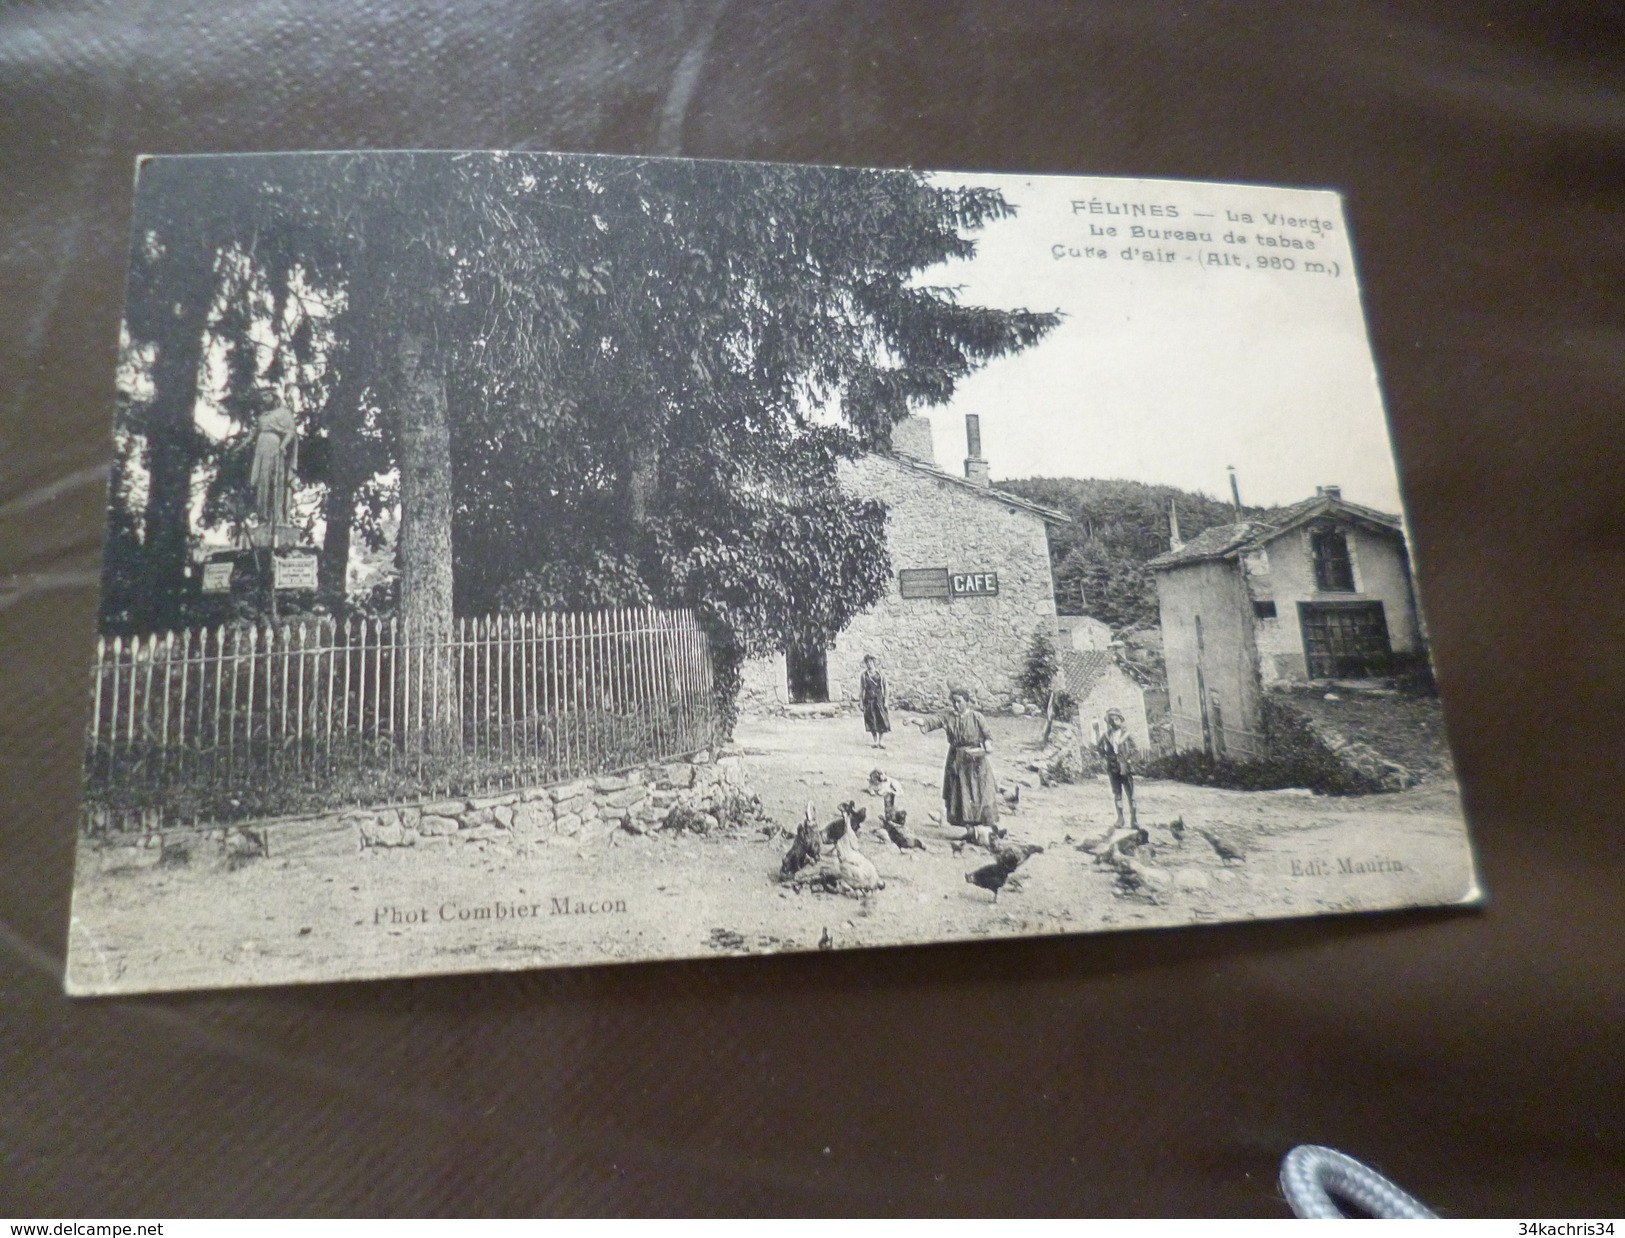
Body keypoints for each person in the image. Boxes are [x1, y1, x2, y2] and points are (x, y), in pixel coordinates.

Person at [913, 687, 999, 832]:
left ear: (967, 702)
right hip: (956, 760)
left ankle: (984, 831)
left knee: (979, 793)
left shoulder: (977, 717)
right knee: (960, 794)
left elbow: (987, 736)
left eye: (959, 701)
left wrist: (987, 745)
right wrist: (915, 720)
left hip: (975, 762)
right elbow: (934, 721)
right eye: (954, 702)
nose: (956, 705)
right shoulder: (948, 716)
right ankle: (969, 831)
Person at [1093, 708, 1140, 828]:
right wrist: (1104, 755)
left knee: (1131, 795)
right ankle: (1120, 819)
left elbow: (1135, 750)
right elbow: (1098, 747)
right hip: (1113, 768)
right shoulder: (1106, 735)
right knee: (1117, 794)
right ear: (1108, 721)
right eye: (1111, 719)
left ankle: (1134, 820)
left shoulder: (1126, 735)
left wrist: (1129, 760)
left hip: (1125, 768)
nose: (1114, 722)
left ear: (1120, 720)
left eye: (1116, 719)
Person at [859, 654, 891, 748]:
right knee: (871, 719)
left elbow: (886, 688)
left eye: (870, 662)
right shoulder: (864, 675)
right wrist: (860, 702)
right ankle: (875, 741)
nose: (869, 664)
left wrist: (886, 701)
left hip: (879, 699)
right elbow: (861, 689)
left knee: (881, 719)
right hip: (868, 700)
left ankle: (881, 741)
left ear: (873, 662)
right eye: (867, 662)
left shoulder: (880, 674)